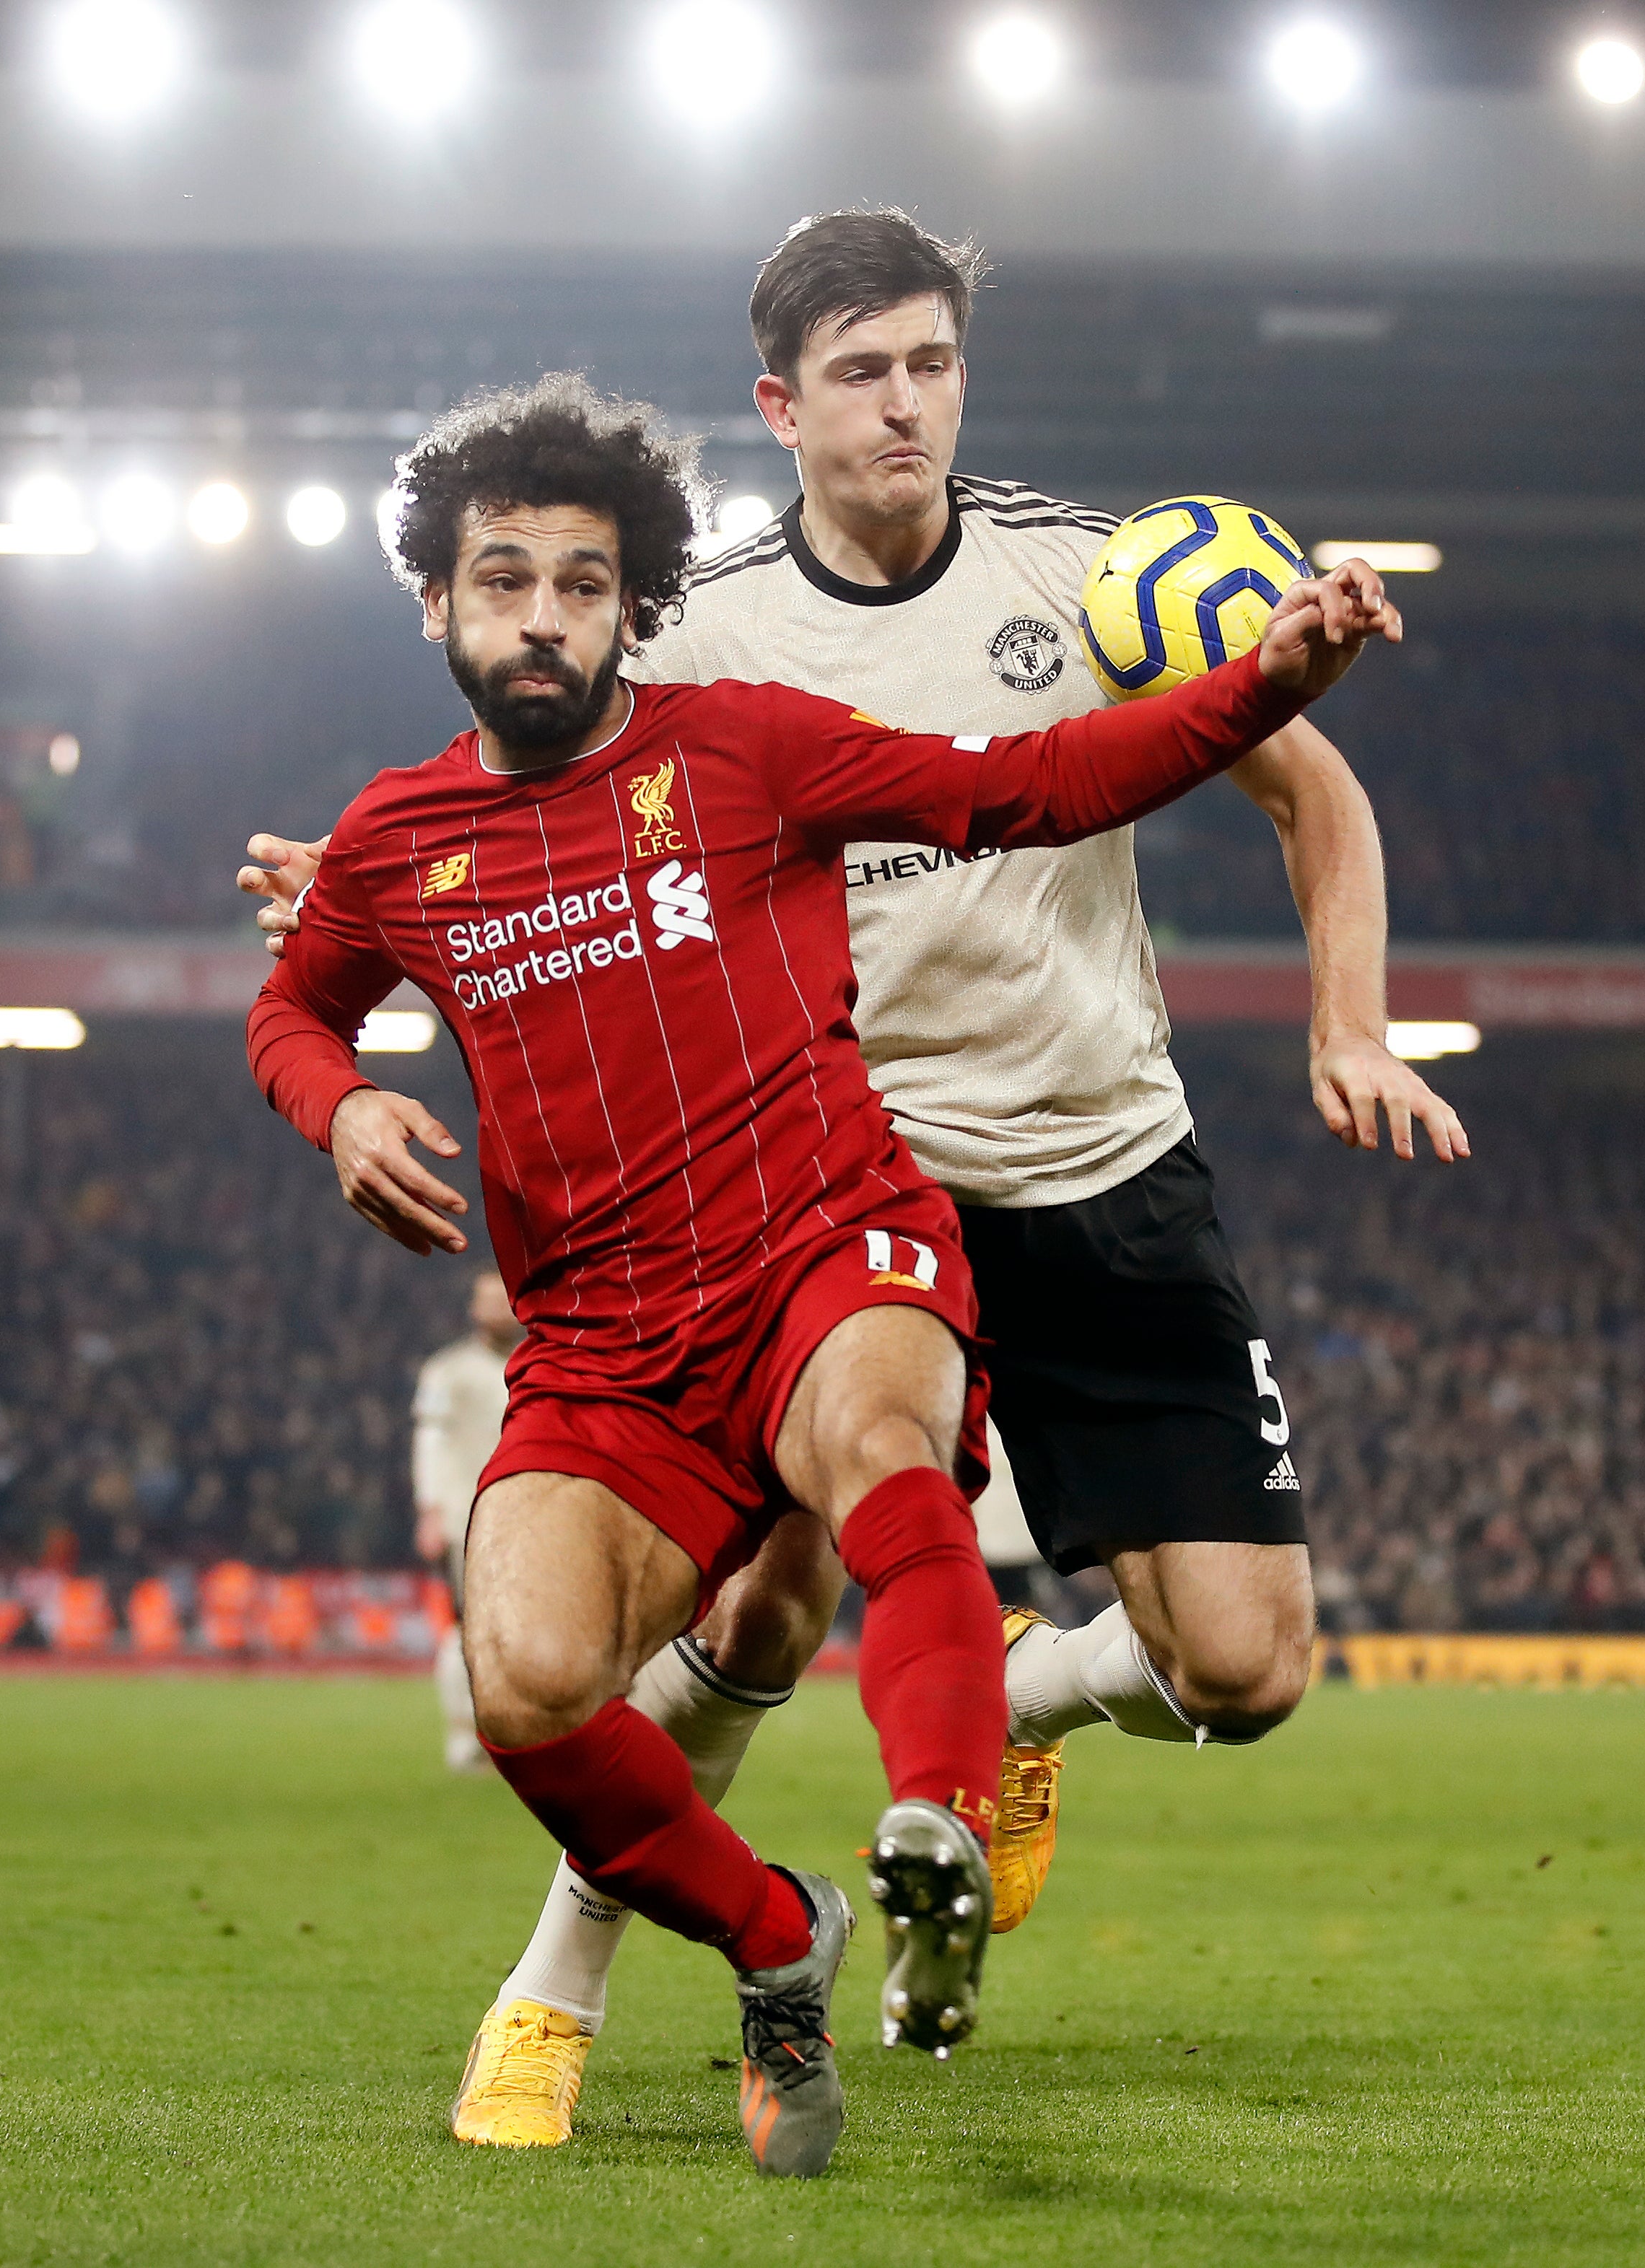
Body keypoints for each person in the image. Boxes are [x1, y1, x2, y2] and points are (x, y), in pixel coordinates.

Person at [239, 214, 1454, 2150]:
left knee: (1249, 1664)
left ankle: (1013, 1724)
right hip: (838, 1182)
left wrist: (1355, 1014)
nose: (908, 402)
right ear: (779, 405)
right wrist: (374, 881)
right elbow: (520, 783)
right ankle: (563, 1977)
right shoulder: (694, 618)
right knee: (770, 1600)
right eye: (865, 370)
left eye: (935, 362)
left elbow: (1284, 781)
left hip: (1102, 1157)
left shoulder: (1095, 565)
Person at [412, 1269, 520, 1772]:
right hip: (467, 1516)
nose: (498, 1309)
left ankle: (525, 1733)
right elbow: (429, 1443)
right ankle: (464, 1735)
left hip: (534, 1515)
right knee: (467, 1625)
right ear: (474, 1308)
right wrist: (432, 1508)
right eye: (488, 1300)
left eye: (505, 1299)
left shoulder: (545, 1360)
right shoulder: (447, 1371)